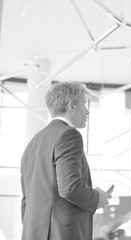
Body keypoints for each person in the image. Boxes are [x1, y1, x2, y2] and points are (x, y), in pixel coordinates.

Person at [20, 82, 112, 240]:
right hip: (62, 234)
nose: (87, 111)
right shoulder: (69, 135)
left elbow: (26, 200)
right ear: (72, 106)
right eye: (84, 104)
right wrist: (96, 197)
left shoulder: (32, 143)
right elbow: (69, 187)